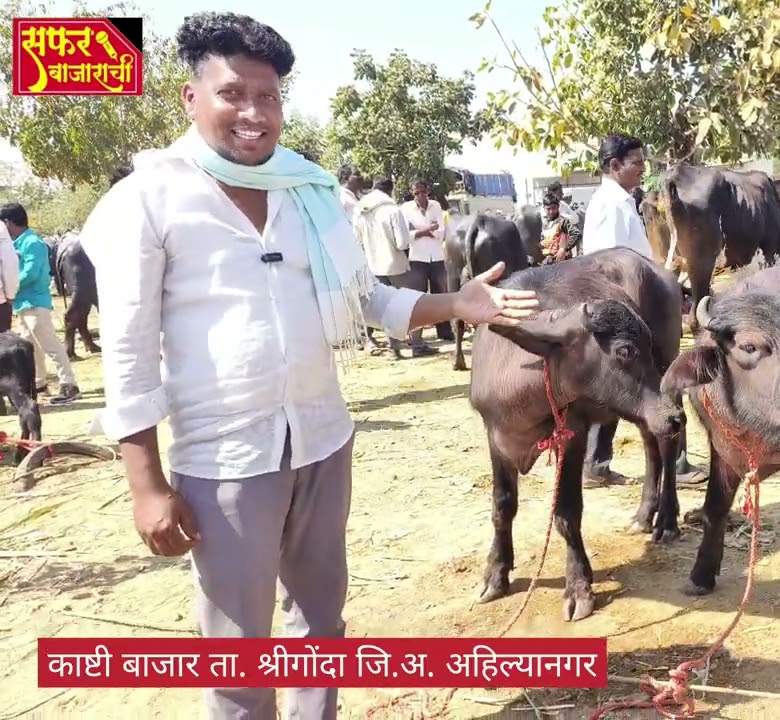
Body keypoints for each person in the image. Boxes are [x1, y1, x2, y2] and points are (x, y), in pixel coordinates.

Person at [76, 13, 539, 720]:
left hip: (322, 438)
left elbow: (368, 300)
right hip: (227, 459)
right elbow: (129, 352)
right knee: (237, 656)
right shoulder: (147, 200)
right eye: (234, 93)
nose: (255, 114)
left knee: (321, 624)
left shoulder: (306, 192)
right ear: (190, 98)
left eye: (269, 97)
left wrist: (459, 301)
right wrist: (146, 483)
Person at [580, 133, 704, 486]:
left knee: (614, 388)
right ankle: (676, 465)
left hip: (629, 306)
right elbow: (611, 265)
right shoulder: (613, 205)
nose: (642, 169)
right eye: (636, 163)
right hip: (632, 309)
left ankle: (596, 464)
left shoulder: (614, 201)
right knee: (666, 381)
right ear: (614, 165)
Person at [0, 203, 80, 403]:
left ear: (9, 222)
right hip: (23, 303)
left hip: (35, 302)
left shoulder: (32, 243)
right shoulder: (18, 243)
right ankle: (38, 382)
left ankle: (69, 384)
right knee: (30, 346)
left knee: (50, 344)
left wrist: (10, 284)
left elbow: (32, 272)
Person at [353, 176, 414, 359]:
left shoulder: (360, 209)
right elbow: (402, 243)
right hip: (394, 265)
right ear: (390, 190)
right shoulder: (392, 210)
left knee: (383, 307)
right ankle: (401, 346)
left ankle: (392, 347)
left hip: (371, 265)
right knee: (398, 305)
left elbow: (355, 241)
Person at [400, 179, 453, 354]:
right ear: (412, 193)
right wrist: (426, 230)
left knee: (441, 295)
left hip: (436, 257)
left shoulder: (436, 206)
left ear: (428, 191)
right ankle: (416, 338)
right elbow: (405, 236)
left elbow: (441, 232)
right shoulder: (405, 209)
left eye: (423, 192)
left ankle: (444, 331)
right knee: (417, 298)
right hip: (417, 258)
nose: (420, 196)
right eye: (416, 193)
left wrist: (420, 231)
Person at [539, 190, 581, 262]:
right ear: (544, 208)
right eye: (548, 209)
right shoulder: (543, 223)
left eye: (553, 208)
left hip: (562, 262)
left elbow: (577, 234)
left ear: (558, 207)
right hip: (547, 262)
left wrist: (563, 249)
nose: (551, 211)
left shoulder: (563, 222)